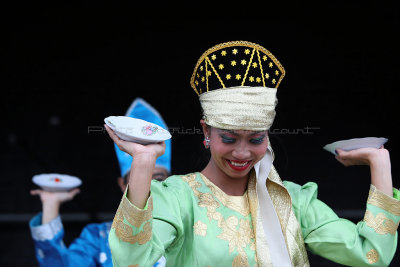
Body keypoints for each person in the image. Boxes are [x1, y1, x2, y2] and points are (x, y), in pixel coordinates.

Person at [106, 41, 400, 266]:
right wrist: (143, 162)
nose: (242, 152)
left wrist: (380, 162)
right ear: (206, 132)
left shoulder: (293, 202)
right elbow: (132, 260)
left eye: (256, 138)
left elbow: (371, 253)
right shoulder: (178, 198)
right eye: (229, 138)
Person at [29, 98, 171, 267]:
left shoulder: (192, 230)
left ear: (171, 182)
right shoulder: (100, 236)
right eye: (137, 176)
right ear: (121, 184)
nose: (149, 184)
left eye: (159, 178)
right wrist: (50, 204)